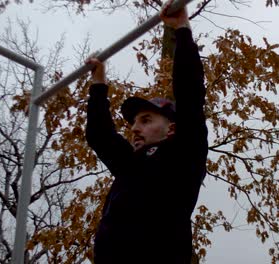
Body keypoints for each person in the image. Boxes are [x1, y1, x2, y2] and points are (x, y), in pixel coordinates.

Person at [85, 1, 208, 263]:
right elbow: (99, 135)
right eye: (133, 122)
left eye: (146, 120)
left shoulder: (183, 153)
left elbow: (190, 93)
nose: (134, 128)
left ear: (171, 128)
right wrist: (98, 83)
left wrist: (181, 29)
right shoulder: (129, 164)